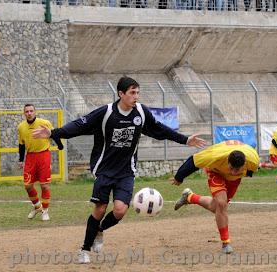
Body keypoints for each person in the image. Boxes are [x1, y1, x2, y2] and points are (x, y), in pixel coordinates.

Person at [32, 76, 206, 263]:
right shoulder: (106, 113)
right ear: (121, 94)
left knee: (120, 210)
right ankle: (84, 249)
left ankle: (99, 230)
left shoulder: (140, 112)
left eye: (138, 92)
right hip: (104, 169)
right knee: (99, 208)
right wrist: (53, 133)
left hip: (126, 171)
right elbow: (79, 125)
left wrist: (185, 139)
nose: (136, 96)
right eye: (132, 93)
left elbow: (159, 129)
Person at [171, 140, 259, 254]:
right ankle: (226, 243)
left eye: (237, 169)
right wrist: (179, 177)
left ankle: (189, 197)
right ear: (228, 160)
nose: (232, 171)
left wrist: (241, 174)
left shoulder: (253, 160)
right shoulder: (214, 155)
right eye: (231, 167)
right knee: (221, 204)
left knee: (216, 207)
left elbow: (251, 171)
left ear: (244, 164)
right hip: (215, 172)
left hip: (234, 181)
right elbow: (193, 161)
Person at [18, 104, 54, 221]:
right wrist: (20, 160)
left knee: (44, 185)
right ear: (24, 113)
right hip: (30, 158)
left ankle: (45, 211)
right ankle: (37, 206)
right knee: (27, 186)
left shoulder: (45, 123)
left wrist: (60, 145)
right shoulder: (21, 127)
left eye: (31, 111)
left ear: (35, 112)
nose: (29, 113)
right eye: (27, 111)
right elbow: (21, 145)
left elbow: (54, 135)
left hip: (43, 155)